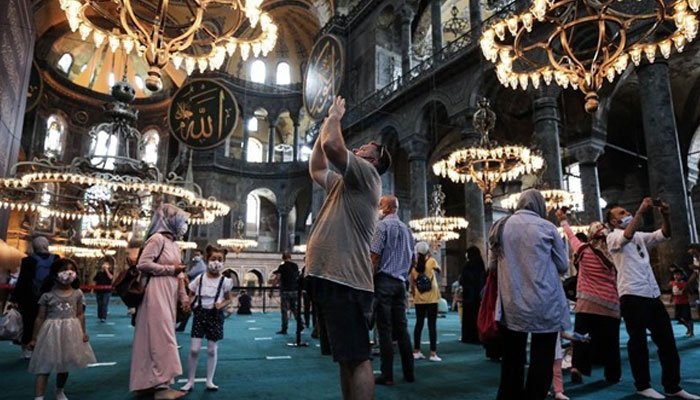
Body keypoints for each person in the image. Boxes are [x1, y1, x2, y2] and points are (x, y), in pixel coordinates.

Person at [305, 96, 391, 400]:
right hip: (331, 277)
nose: (359, 148)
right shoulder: (345, 184)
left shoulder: (366, 176)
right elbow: (316, 168)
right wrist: (323, 128)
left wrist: (336, 116)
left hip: (347, 280)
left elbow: (333, 147)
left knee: (357, 357)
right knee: (345, 357)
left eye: (365, 148)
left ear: (375, 160)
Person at [606, 198, 699, 400]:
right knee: (638, 342)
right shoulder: (612, 237)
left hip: (651, 293)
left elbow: (664, 234)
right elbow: (627, 235)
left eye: (626, 211)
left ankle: (672, 385)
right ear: (613, 222)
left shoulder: (639, 236)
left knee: (667, 342)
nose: (626, 213)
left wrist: (665, 214)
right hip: (632, 295)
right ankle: (642, 385)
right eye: (621, 213)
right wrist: (639, 212)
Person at [489, 189, 570, 400]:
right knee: (542, 358)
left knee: (512, 358)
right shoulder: (548, 227)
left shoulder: (500, 225)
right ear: (540, 206)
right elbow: (562, 266)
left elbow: (492, 266)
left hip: (511, 300)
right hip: (545, 300)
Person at [129, 204, 191, 400]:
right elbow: (143, 264)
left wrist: (183, 296)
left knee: (156, 337)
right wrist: (169, 270)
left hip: (169, 292)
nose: (185, 226)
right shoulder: (157, 239)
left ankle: (147, 383)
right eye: (183, 221)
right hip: (156, 292)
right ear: (171, 220)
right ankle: (163, 387)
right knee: (161, 338)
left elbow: (179, 272)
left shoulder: (174, 244)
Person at [556, 210, 621, 385]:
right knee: (611, 342)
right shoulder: (614, 252)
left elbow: (570, 236)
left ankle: (577, 367)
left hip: (587, 302)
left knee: (581, 337)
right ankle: (612, 374)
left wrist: (563, 220)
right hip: (610, 304)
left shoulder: (583, 249)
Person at [28, 258, 96, 400]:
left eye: (72, 270)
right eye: (64, 270)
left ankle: (60, 390)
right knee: (44, 365)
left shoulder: (77, 294)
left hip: (71, 332)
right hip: (51, 332)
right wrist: (34, 338)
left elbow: (80, 314)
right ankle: (39, 397)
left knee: (64, 365)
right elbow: (40, 318)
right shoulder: (47, 295)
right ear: (54, 274)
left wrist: (83, 332)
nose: (68, 273)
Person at [370, 194, 415, 385]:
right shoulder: (407, 229)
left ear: (387, 208)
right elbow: (412, 260)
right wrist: (403, 276)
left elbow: (374, 256)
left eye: (380, 205)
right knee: (402, 329)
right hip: (400, 284)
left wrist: (369, 280)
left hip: (384, 282)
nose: (378, 209)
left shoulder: (382, 226)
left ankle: (387, 375)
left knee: (385, 330)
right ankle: (409, 373)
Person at [180, 245, 233, 392]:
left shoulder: (225, 281)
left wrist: (221, 304)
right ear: (207, 259)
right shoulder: (200, 278)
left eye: (220, 259)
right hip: (200, 315)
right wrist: (188, 303)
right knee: (194, 349)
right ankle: (190, 381)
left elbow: (229, 299)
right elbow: (190, 293)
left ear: (224, 262)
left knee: (211, 349)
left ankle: (209, 380)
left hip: (215, 316)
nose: (216, 262)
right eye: (213, 259)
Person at [9, 236, 59, 359]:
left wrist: (14, 299)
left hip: (30, 298)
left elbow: (22, 281)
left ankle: (28, 350)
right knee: (49, 322)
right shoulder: (56, 259)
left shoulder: (28, 260)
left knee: (29, 323)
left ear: (34, 246)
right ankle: (46, 349)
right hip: (52, 297)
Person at [411, 241, 442, 362]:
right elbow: (439, 270)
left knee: (418, 325)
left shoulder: (414, 266)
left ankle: (416, 351)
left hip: (419, 299)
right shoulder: (431, 262)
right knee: (432, 325)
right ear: (427, 251)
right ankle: (433, 354)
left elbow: (413, 283)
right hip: (432, 298)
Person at [459, 246, 485, 344]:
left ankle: (468, 336)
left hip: (469, 295)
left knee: (468, 317)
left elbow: (463, 280)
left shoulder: (468, 265)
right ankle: (477, 336)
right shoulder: (481, 264)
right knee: (477, 317)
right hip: (478, 296)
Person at [176, 249, 206, 332]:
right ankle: (182, 326)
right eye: (195, 254)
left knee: (192, 309)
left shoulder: (201, 265)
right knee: (191, 309)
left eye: (198, 254)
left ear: (202, 256)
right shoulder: (197, 264)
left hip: (195, 291)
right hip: (195, 290)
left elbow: (190, 274)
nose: (196, 256)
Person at [271, 252, 301, 335]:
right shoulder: (295, 266)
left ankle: (284, 328)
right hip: (295, 290)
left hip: (285, 291)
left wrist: (271, 289)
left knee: (284, 311)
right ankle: (301, 324)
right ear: (290, 257)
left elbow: (277, 278)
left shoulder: (282, 266)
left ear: (283, 258)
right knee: (294, 309)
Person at [669, 266, 696, 337]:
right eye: (674, 275)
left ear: (682, 276)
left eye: (678, 274)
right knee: (677, 317)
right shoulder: (672, 283)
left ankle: (691, 331)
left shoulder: (685, 284)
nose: (676, 276)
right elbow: (673, 291)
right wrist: (671, 298)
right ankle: (688, 327)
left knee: (687, 317)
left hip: (684, 303)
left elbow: (691, 292)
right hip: (677, 303)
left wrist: (687, 291)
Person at [92, 257, 114, 323]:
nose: (105, 266)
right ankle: (100, 316)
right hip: (98, 291)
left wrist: (106, 270)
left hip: (107, 291)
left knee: (105, 304)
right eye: (104, 264)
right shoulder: (99, 273)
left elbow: (111, 277)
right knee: (99, 304)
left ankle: (103, 317)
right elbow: (95, 281)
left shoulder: (110, 272)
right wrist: (93, 289)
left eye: (107, 264)